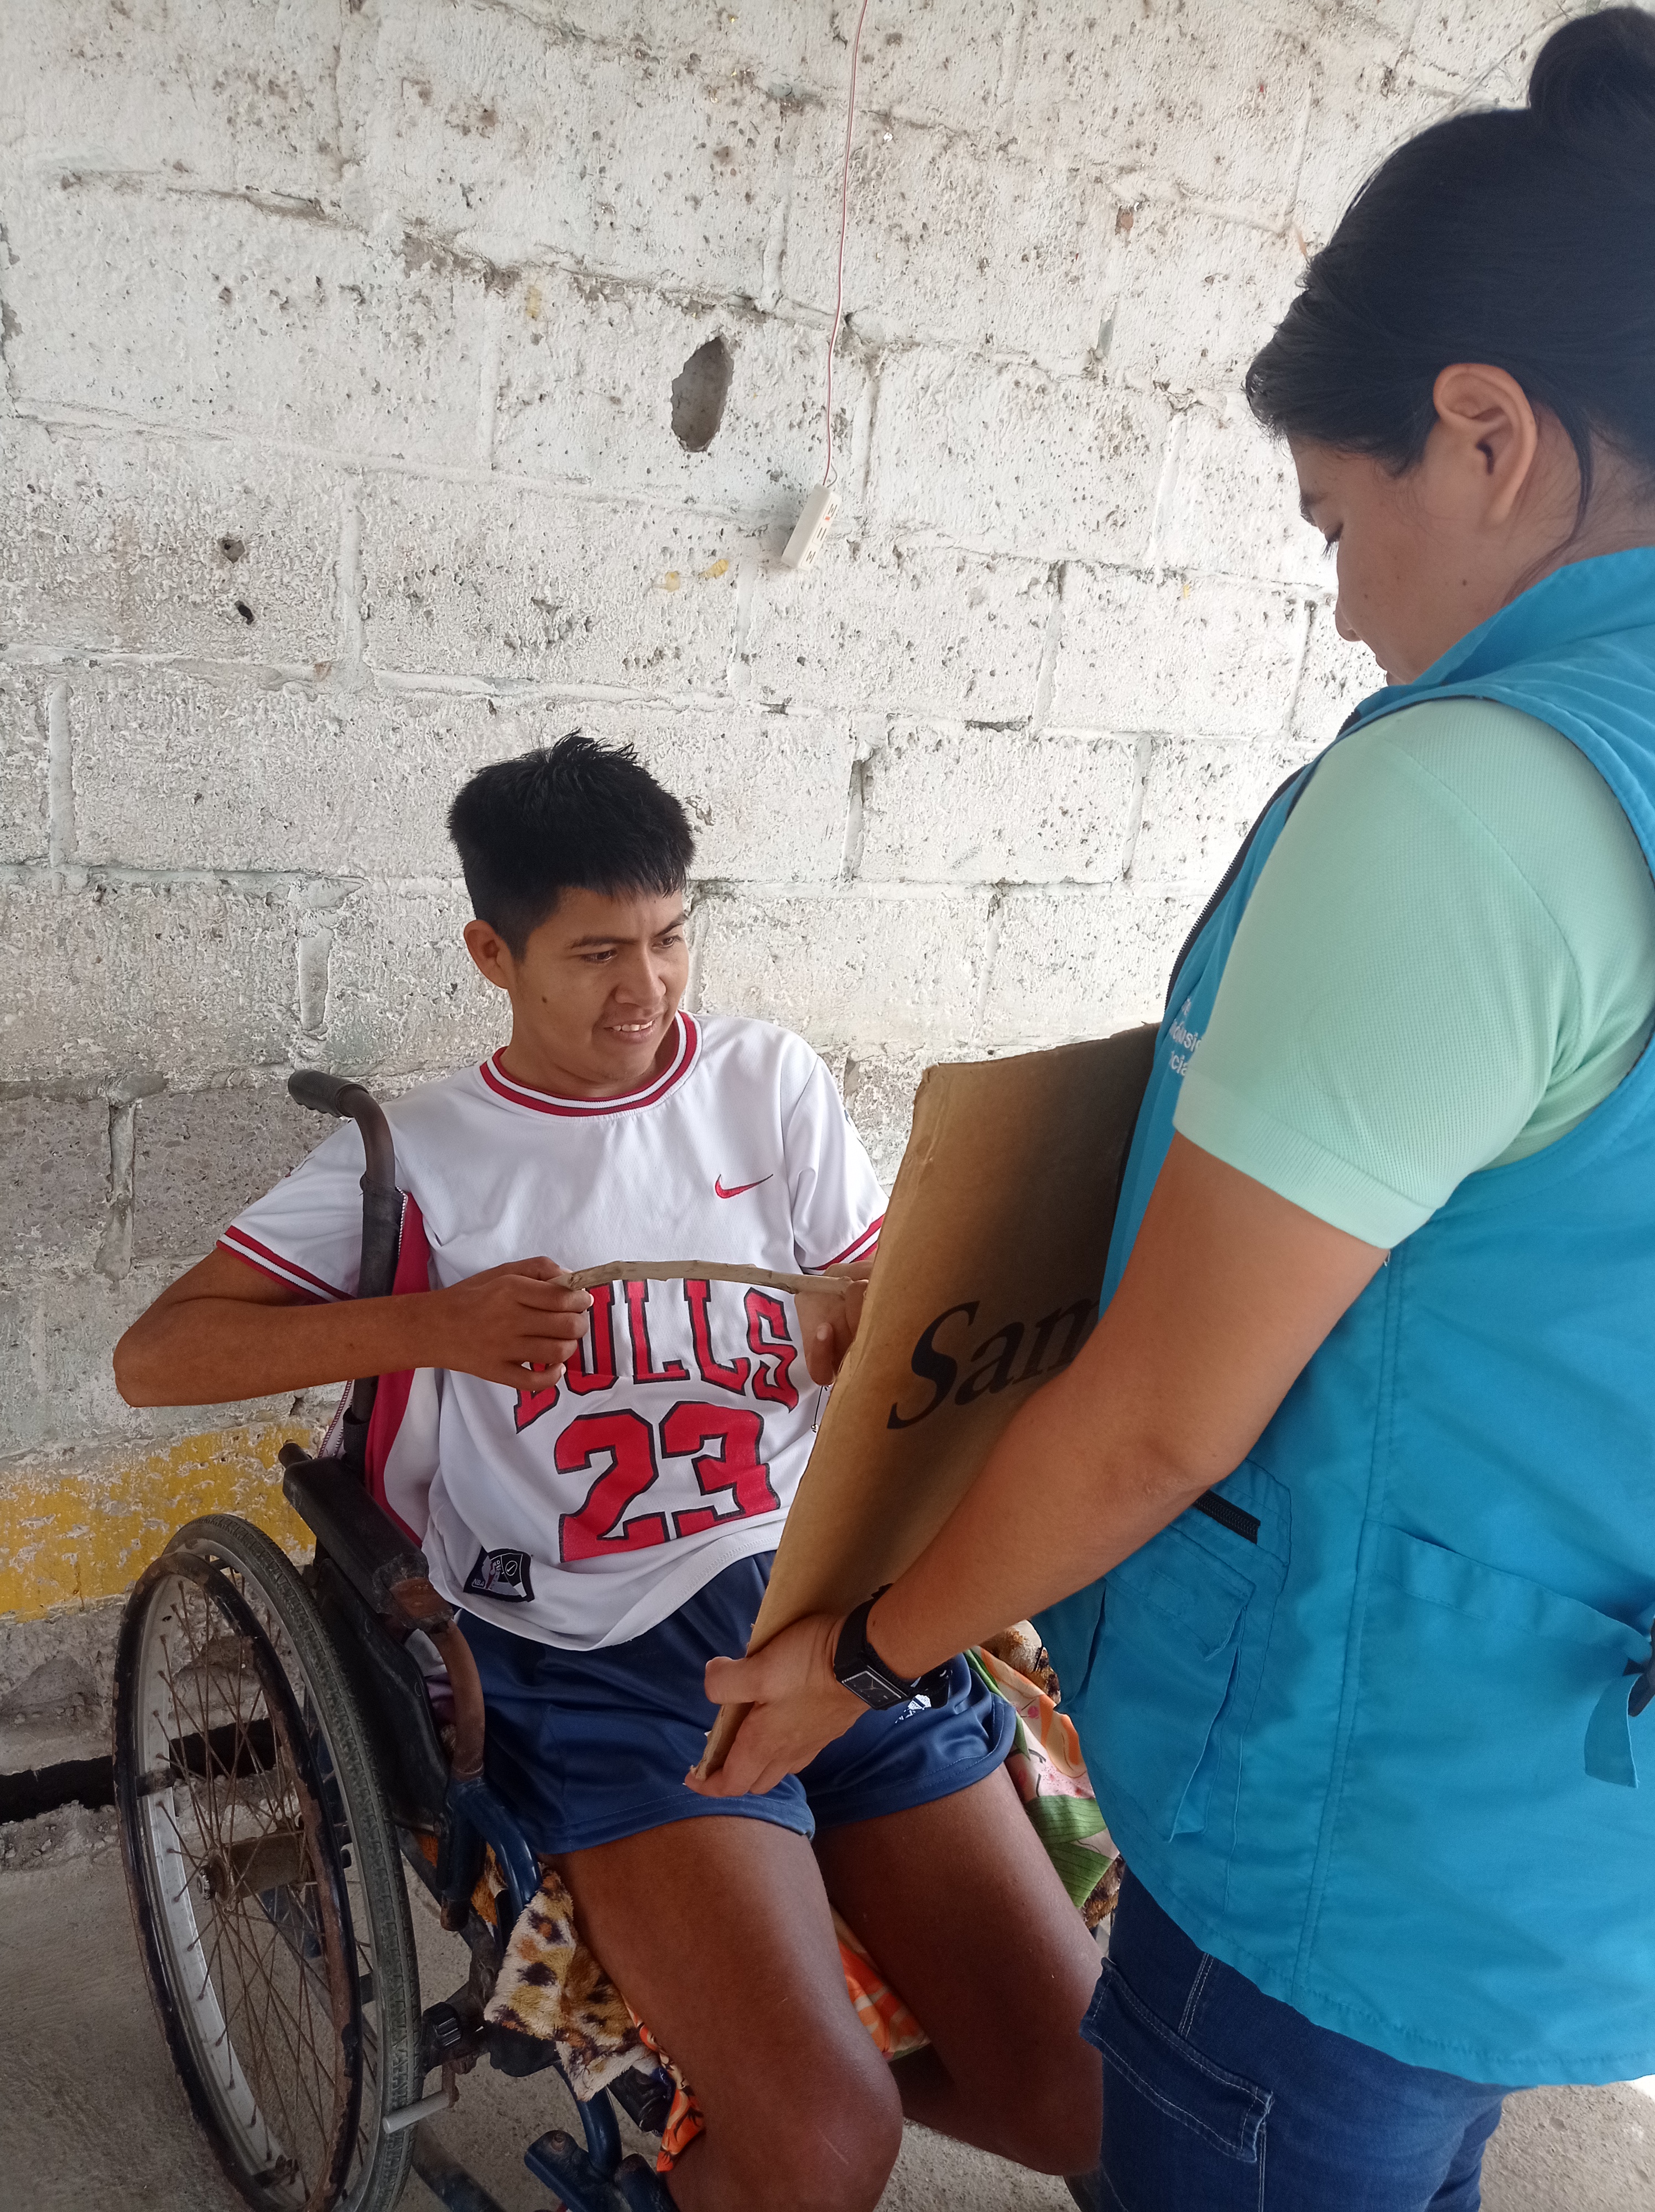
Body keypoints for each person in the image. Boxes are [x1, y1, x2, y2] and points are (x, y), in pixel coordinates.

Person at [686, 13, 1655, 2208]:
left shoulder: (1475, 806)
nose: (1347, 602)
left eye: (1337, 517)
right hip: (1572, 1802)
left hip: (1355, 1825)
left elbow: (1156, 1425)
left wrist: (867, 1651)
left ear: (1485, 432)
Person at [114, 733, 1102, 2212]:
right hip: (593, 1661)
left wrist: (868, 1329)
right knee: (828, 2149)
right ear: (493, 955)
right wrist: (432, 1324)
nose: (646, 988)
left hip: (824, 1611)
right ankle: (767, 2100)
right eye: (595, 954)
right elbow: (156, 1356)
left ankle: (766, 2072)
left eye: (668, 938)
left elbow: (888, 1308)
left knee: (1080, 2099)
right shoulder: (431, 1156)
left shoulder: (766, 1083)